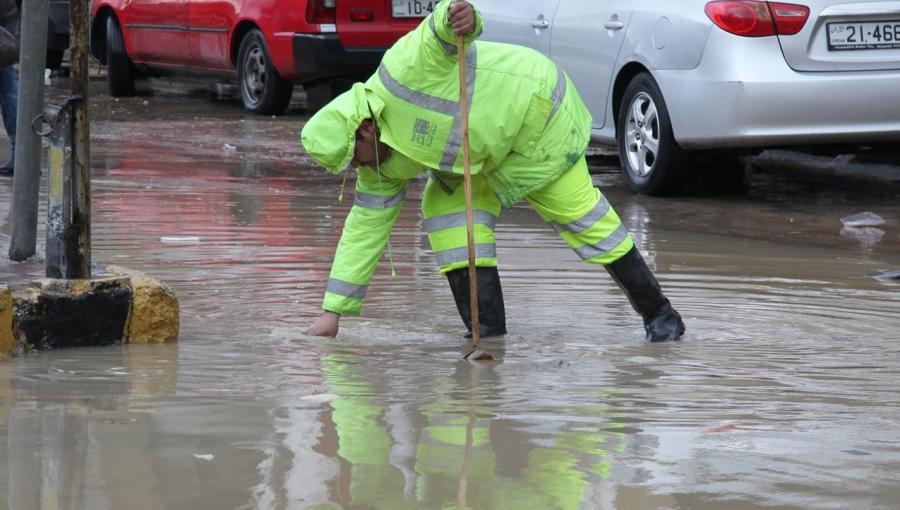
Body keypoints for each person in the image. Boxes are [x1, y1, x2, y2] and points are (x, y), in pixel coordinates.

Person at [300, 1, 684, 342]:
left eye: (356, 157)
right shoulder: (378, 167)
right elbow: (363, 232)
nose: (360, 166)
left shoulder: (400, 70)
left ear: (364, 127)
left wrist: (460, 15)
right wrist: (332, 314)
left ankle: (661, 318)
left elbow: (437, 28)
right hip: (481, 156)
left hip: (536, 119)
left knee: (583, 217)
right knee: (445, 212)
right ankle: (488, 333)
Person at [0, 0, 18, 175]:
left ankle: (20, 154)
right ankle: (21, 153)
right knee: (8, 86)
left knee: (7, 86)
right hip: (7, 12)